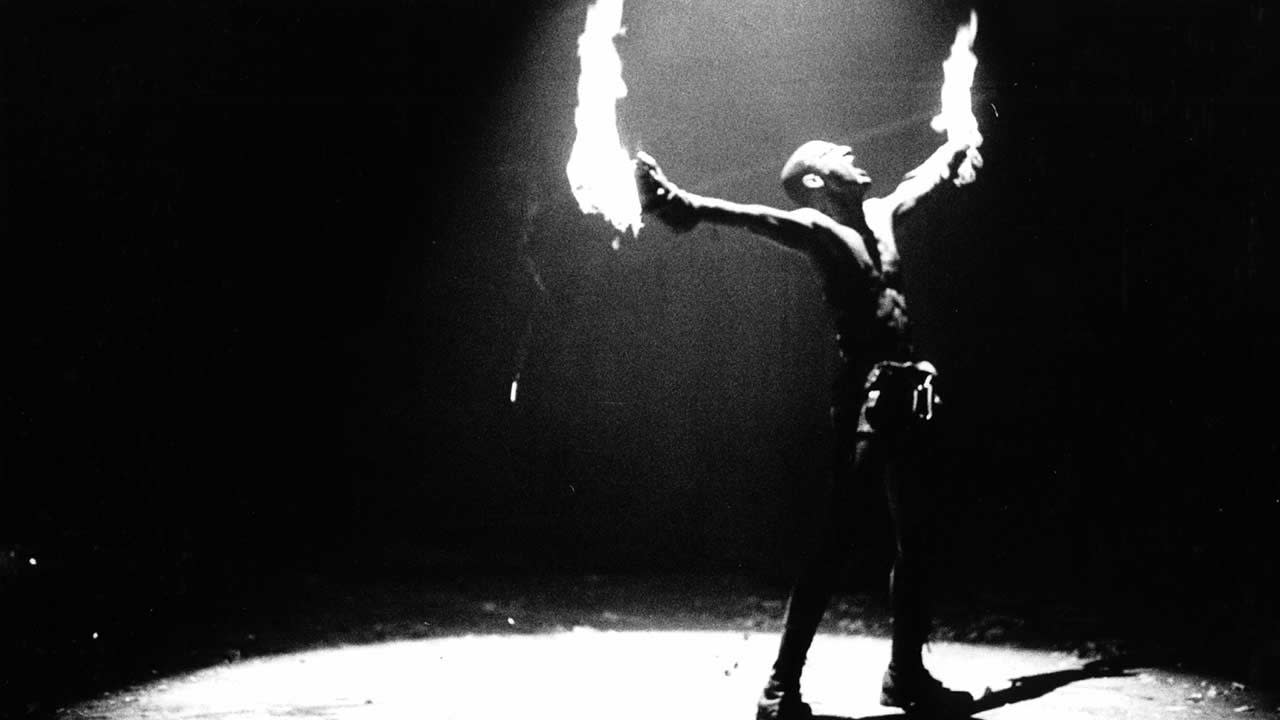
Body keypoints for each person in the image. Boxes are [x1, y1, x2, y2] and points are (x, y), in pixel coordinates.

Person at [634, 135, 982, 718]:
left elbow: (921, 180)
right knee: (838, 537)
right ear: (816, 182)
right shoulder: (819, 230)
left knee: (917, 540)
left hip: (909, 394)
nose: (848, 148)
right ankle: (779, 687)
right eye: (832, 153)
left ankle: (905, 675)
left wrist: (955, 149)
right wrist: (679, 201)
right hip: (867, 397)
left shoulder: (883, 213)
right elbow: (751, 216)